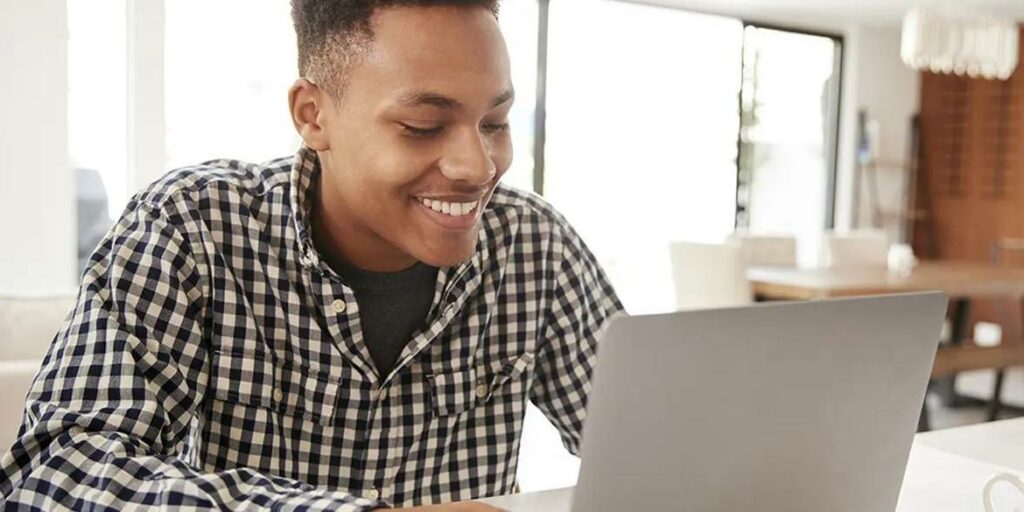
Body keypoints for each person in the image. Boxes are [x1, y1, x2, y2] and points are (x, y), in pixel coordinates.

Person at [0, 1, 622, 510]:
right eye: (423, 127)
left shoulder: (533, 245)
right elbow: (54, 476)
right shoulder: (190, 229)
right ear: (312, 115)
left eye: (495, 122)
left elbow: (663, 453)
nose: (478, 167)